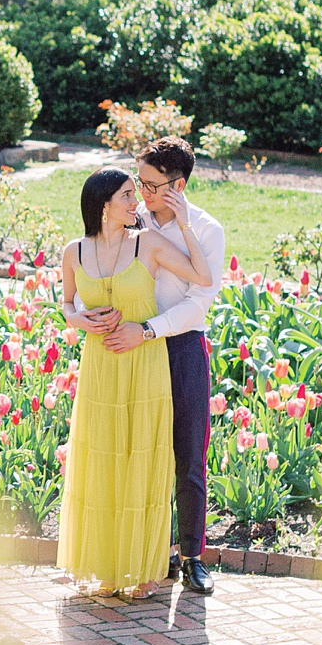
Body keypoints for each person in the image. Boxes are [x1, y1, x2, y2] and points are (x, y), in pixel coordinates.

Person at [57, 166, 213, 600]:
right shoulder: (74, 251)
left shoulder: (149, 243)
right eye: (127, 195)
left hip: (143, 363)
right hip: (100, 366)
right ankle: (107, 568)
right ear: (103, 205)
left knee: (143, 461)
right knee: (102, 461)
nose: (136, 203)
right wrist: (76, 319)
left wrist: (184, 223)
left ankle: (144, 570)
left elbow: (203, 277)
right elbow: (66, 303)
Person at [99, 136, 226, 594]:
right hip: (134, 351)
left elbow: (199, 303)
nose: (144, 195)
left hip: (183, 348)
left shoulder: (208, 230)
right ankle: (151, 553)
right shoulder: (132, 222)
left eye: (152, 186)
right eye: (140, 184)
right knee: (141, 453)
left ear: (179, 184)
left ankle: (191, 556)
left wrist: (149, 329)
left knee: (189, 455)